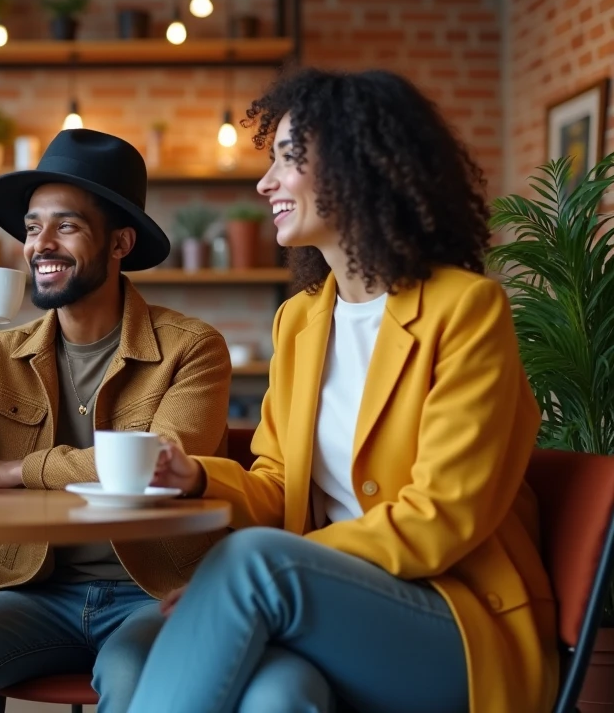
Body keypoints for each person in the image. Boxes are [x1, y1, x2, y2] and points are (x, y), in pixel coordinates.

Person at [131, 67, 558, 713]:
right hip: (332, 615)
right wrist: (197, 478)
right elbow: (278, 485)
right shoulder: (301, 321)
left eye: (288, 159)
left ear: (362, 165)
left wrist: (272, 568)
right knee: (279, 697)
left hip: (456, 620)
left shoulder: (467, 311)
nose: (265, 182)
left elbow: (440, 519)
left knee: (252, 567)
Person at [0, 128, 232, 713]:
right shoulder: (2, 355)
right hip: (33, 590)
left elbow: (159, 465)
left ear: (121, 243)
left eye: (66, 226)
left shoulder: (193, 348)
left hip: (151, 592)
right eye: (31, 228)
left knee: (132, 670)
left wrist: (19, 469)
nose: (39, 245)